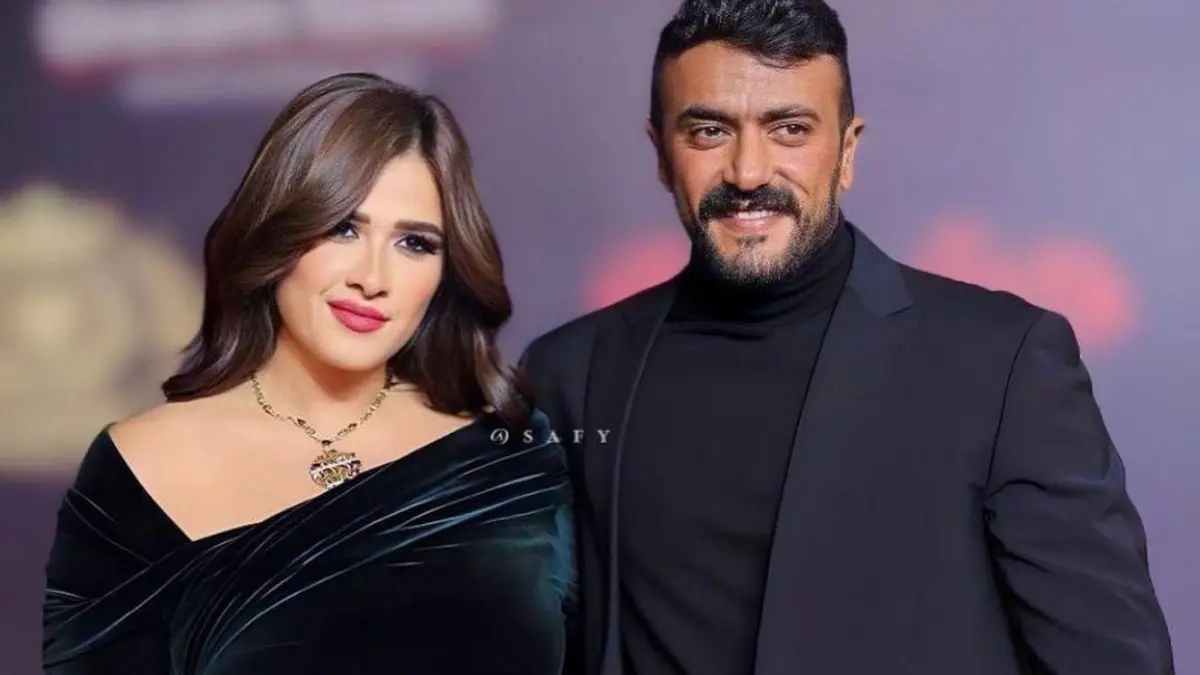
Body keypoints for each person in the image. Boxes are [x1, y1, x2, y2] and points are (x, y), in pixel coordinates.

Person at [518, 1, 1173, 674]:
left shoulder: (1002, 362)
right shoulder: (571, 374)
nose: (749, 172)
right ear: (660, 152)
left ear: (848, 150)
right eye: (709, 131)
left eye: (790, 129)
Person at [42, 73, 575, 675]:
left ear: (447, 269)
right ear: (276, 233)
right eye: (343, 228)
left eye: (414, 244)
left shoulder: (510, 458)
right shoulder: (140, 465)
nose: (372, 278)